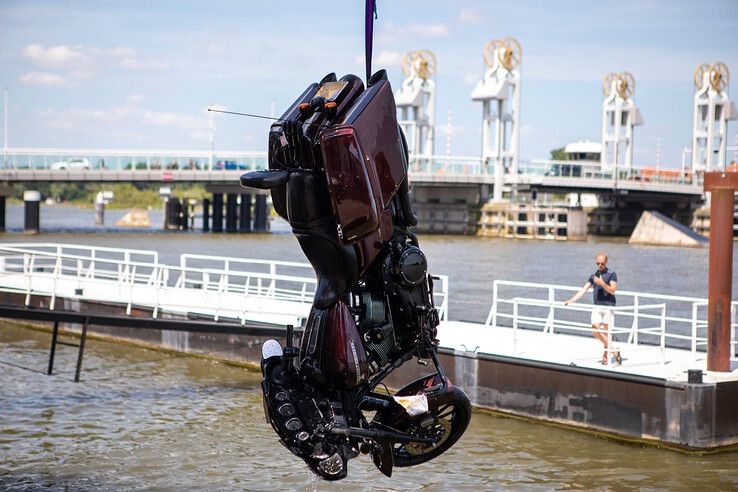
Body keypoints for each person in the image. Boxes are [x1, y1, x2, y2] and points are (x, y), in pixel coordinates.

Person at [564, 252, 622, 365]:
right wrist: (571, 300)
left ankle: (605, 355)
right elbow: (584, 290)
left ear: (606, 262)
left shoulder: (612, 274)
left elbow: (613, 290)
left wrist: (601, 283)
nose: (599, 265)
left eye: (602, 263)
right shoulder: (593, 275)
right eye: (598, 263)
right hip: (597, 306)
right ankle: (614, 351)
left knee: (606, 333)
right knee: (595, 331)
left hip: (608, 307)